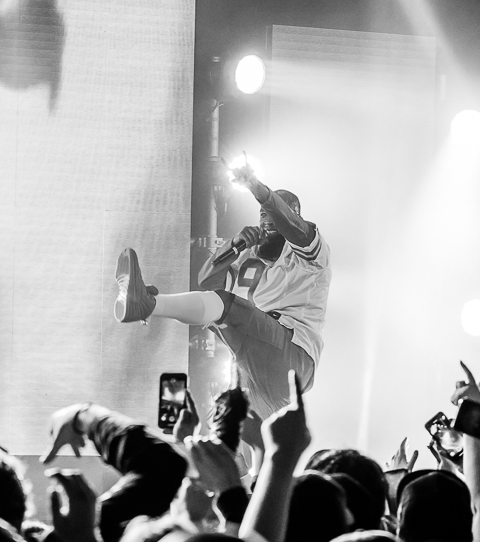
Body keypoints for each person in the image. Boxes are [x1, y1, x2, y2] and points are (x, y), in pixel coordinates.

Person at [114, 163, 331, 419]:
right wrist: (235, 245)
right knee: (238, 432)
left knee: (229, 310)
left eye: (275, 214)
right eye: (262, 214)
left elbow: (290, 224)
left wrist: (256, 187)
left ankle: (148, 304)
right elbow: (207, 282)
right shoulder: (248, 256)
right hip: (253, 367)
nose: (267, 219)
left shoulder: (312, 256)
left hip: (293, 356)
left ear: (294, 216)